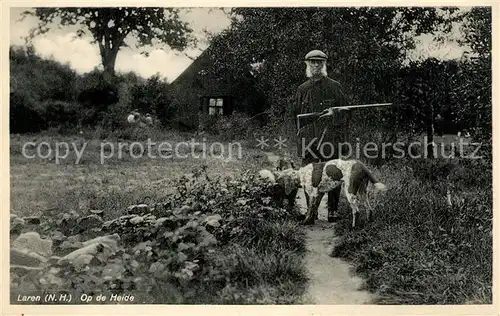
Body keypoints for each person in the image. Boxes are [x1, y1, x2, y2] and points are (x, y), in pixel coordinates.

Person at [292, 49, 351, 223]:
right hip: (308, 139)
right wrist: (301, 136)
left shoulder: (334, 86)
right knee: (307, 174)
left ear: (324, 64)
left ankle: (332, 211)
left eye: (319, 62)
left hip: (330, 138)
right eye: (313, 62)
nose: (316, 65)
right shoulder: (302, 89)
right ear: (307, 64)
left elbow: (346, 113)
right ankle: (312, 211)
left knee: (333, 172)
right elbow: (295, 116)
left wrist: (335, 114)